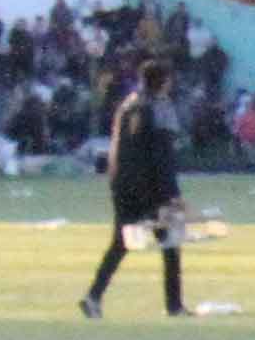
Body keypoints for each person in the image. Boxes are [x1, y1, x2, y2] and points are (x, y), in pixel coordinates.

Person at [81, 58, 189, 317]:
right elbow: (161, 156)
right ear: (163, 82)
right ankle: (173, 305)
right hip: (149, 188)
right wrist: (172, 195)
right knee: (170, 241)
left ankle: (93, 295)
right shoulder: (158, 108)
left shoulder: (128, 104)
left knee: (121, 242)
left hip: (122, 184)